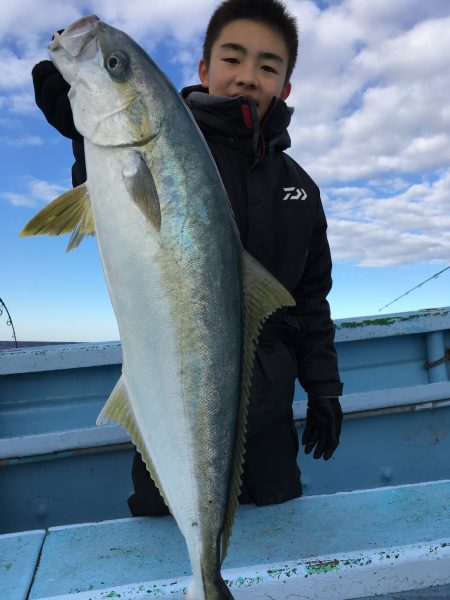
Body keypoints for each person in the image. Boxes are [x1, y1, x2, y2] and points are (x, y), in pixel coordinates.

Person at [31, 0, 343, 517]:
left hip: (269, 417)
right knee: (164, 531)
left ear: (285, 86)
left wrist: (325, 391)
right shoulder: (165, 145)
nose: (248, 77)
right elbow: (115, 203)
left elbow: (311, 301)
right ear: (204, 70)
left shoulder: (300, 189)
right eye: (233, 58)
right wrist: (84, 138)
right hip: (166, 407)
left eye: (268, 66)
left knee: (279, 529)